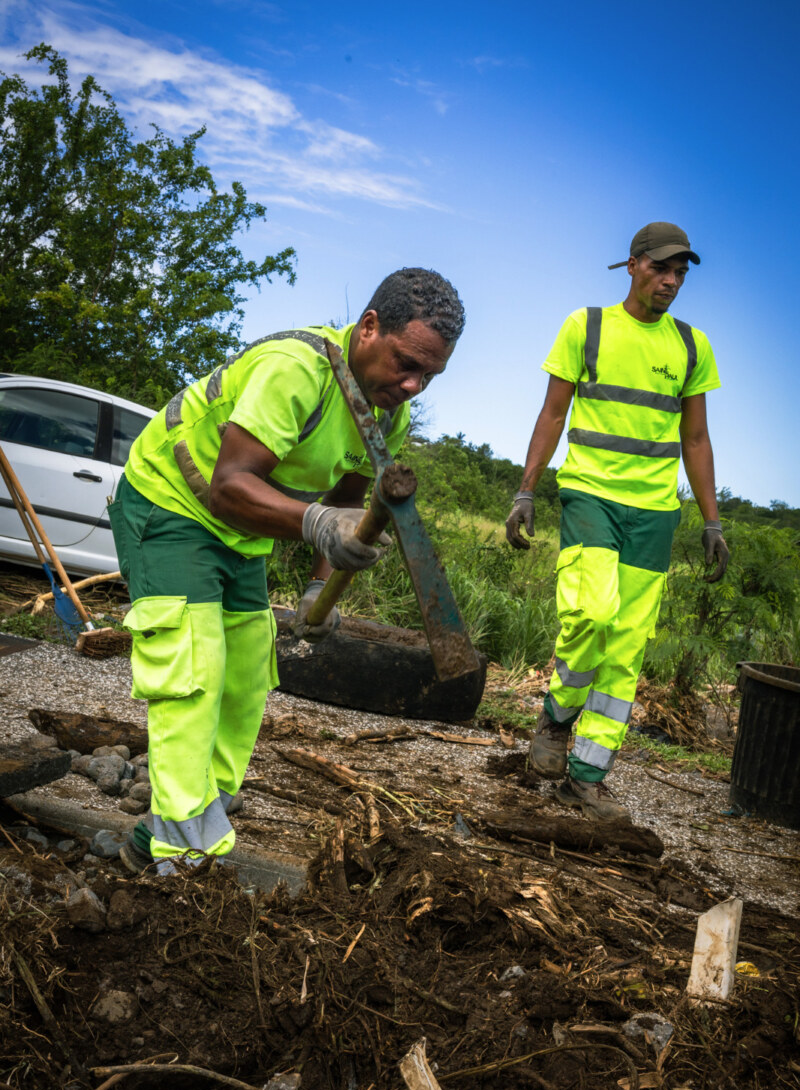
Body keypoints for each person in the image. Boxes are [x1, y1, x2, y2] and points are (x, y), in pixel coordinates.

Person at [112, 267, 465, 872]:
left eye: (429, 375)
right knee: (193, 669)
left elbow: (348, 503)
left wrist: (319, 586)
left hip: (243, 530)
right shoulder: (295, 369)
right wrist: (318, 525)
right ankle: (180, 857)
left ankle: (194, 815)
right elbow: (230, 485)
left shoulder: (386, 414)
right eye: (406, 363)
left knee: (248, 671)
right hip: (174, 502)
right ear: (369, 328)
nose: (413, 385)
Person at [506, 223, 728, 820]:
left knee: (627, 646)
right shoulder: (586, 327)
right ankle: (555, 720)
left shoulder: (692, 346)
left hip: (655, 513)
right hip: (591, 496)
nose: (671, 281)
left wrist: (712, 522)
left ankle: (586, 777)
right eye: (661, 268)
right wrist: (526, 490)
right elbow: (552, 414)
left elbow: (696, 438)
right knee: (593, 614)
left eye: (680, 273)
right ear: (632, 265)